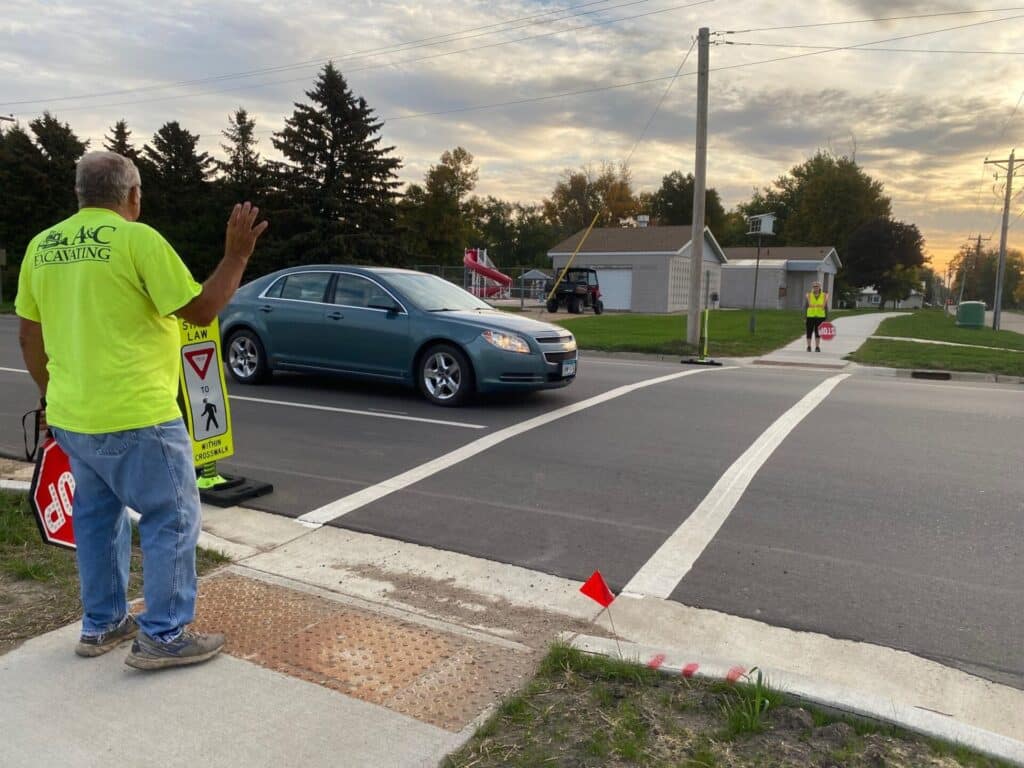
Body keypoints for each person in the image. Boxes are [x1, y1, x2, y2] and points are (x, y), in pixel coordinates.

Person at [16, 151, 267, 670]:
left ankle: (102, 622)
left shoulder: (41, 247)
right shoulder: (137, 240)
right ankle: (164, 634)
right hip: (138, 414)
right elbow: (199, 309)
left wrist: (49, 396)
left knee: (98, 519)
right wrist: (237, 256)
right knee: (171, 518)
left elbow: (29, 334)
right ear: (132, 196)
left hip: (72, 416)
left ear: (79, 195)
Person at [804, 280, 828, 352]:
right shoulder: (809, 295)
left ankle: (817, 347)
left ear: (820, 287)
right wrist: (805, 317)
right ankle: (809, 346)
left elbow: (826, 307)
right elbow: (806, 306)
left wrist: (826, 317)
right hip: (810, 316)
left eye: (817, 286)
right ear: (812, 287)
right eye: (814, 286)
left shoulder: (824, 295)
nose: (815, 288)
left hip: (820, 317)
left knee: (818, 332)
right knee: (809, 331)